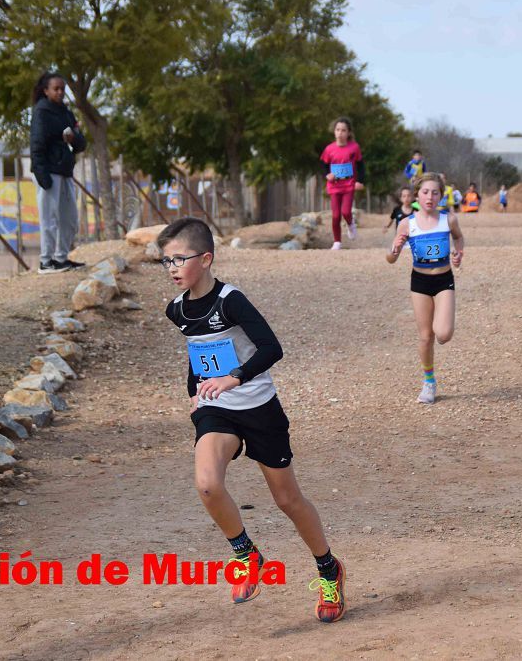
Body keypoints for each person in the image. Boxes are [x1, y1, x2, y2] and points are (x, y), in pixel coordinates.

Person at [158, 217, 346, 623]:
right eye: (165, 261)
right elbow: (198, 353)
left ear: (206, 259)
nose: (172, 268)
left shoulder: (231, 300)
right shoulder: (176, 310)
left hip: (259, 408)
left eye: (179, 259)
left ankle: (328, 569)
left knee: (287, 500)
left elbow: (271, 348)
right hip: (217, 409)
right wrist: (196, 393)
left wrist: (234, 377)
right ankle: (246, 555)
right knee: (208, 485)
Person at [386, 173, 464, 404]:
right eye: (425, 192)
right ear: (417, 195)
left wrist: (459, 254)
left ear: (441, 195)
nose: (430, 197)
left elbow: (459, 239)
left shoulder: (448, 219)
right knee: (425, 336)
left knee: (443, 334)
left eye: (435, 192)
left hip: (443, 280)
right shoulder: (406, 223)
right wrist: (396, 250)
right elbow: (390, 258)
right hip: (419, 283)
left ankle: (441, 329)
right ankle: (429, 382)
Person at [30, 72, 87, 273]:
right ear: (46, 91)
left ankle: (61, 258)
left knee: (69, 218)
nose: (60, 92)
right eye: (56, 88)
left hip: (65, 171)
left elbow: (81, 143)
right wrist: (41, 174)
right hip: (48, 171)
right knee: (49, 218)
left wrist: (73, 139)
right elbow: (36, 144)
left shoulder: (66, 112)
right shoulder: (41, 112)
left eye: (62, 88)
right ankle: (46, 261)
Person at [320, 117, 365, 250]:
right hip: (334, 186)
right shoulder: (329, 149)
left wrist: (360, 180)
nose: (340, 133)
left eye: (343, 130)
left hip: (348, 185)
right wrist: (327, 174)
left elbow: (360, 165)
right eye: (338, 130)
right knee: (335, 215)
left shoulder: (354, 147)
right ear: (334, 132)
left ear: (348, 133)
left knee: (345, 212)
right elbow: (324, 164)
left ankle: (351, 225)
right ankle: (337, 242)